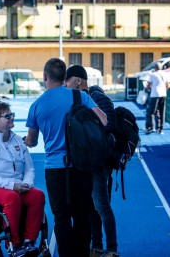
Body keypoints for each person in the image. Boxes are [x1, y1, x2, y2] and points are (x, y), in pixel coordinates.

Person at [24, 58, 107, 257]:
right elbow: (103, 120)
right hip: (81, 165)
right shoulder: (79, 97)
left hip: (54, 168)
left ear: (45, 76)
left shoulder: (36, 105)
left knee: (61, 217)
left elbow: (32, 141)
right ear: (64, 77)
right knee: (82, 215)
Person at [0, 101, 45, 256]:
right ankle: (13, 244)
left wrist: (26, 183)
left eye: (12, 114)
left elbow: (29, 168)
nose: (12, 118)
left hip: (16, 186)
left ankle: (29, 242)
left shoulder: (19, 140)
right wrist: (12, 185)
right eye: (8, 116)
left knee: (37, 195)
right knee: (12, 198)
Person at [65, 65, 119, 257]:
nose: (65, 86)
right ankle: (96, 247)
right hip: (83, 163)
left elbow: (108, 125)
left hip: (99, 163)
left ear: (78, 81)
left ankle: (112, 249)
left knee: (102, 207)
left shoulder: (98, 98)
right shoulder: (75, 100)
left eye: (68, 82)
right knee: (90, 208)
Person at [145, 63, 168, 135]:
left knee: (151, 112)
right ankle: (161, 129)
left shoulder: (153, 74)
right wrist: (164, 90)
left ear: (155, 68)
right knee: (162, 112)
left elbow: (148, 86)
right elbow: (167, 85)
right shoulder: (164, 74)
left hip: (155, 94)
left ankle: (151, 127)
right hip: (163, 94)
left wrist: (148, 88)